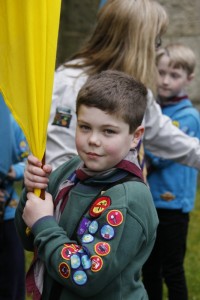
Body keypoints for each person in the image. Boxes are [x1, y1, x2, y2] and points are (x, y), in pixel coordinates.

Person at [15, 70, 158, 300]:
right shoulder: (70, 170)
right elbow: (30, 239)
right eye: (84, 127)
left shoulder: (128, 199)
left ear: (135, 136)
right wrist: (32, 191)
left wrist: (43, 222)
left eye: (108, 131)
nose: (93, 139)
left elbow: (84, 275)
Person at [46, 0, 200, 172]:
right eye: (156, 41)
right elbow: (59, 162)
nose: (157, 49)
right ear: (137, 44)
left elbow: (161, 134)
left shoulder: (135, 87)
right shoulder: (71, 83)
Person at [142, 43, 200, 300]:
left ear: (189, 78)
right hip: (149, 202)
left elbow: (164, 152)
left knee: (172, 269)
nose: (165, 81)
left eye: (174, 75)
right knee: (148, 268)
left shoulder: (188, 116)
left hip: (172, 205)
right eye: (161, 72)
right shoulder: (155, 109)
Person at [0, 94, 29, 300]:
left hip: (8, 214)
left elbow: (30, 159)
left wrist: (12, 171)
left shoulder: (11, 120)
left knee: (12, 279)